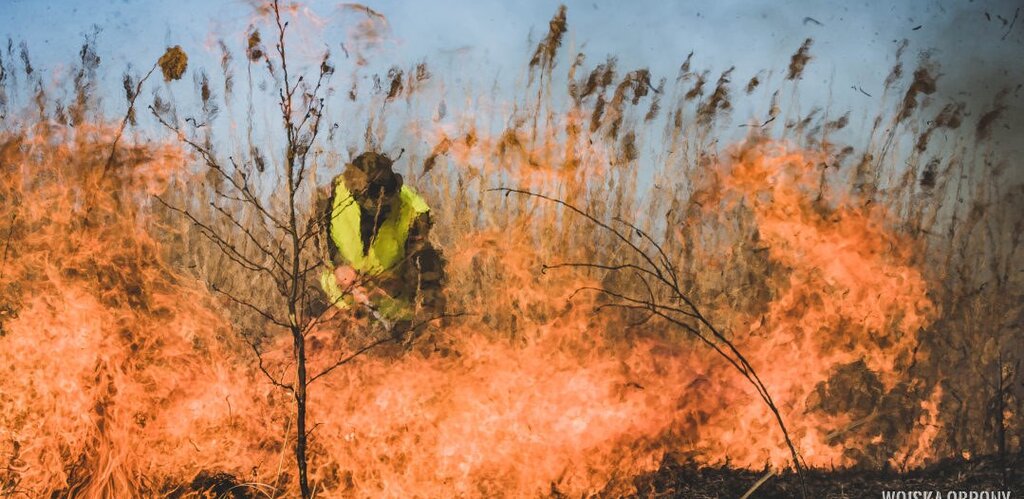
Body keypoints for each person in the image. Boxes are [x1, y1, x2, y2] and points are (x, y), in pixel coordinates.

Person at [319, 152, 445, 337]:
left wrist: (383, 286)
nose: (379, 208)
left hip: (393, 319)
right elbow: (320, 239)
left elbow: (427, 269)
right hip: (339, 309)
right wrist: (340, 266)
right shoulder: (334, 194)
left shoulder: (414, 212)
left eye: (384, 201)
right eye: (372, 203)